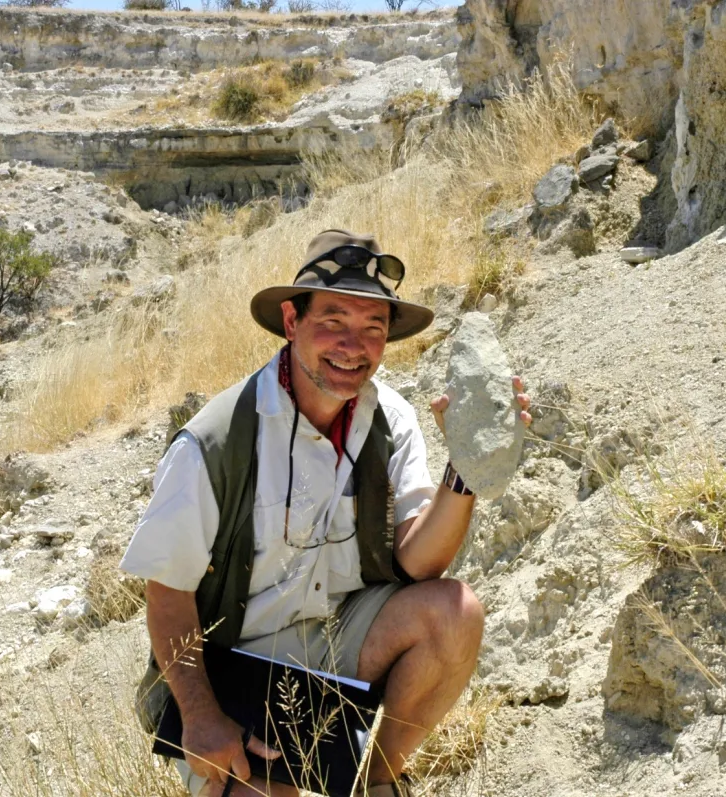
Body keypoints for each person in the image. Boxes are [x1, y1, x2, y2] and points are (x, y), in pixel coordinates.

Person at [120, 229, 530, 797]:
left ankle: (377, 780)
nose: (352, 345)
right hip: (234, 665)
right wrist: (202, 717)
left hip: (337, 642)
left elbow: (417, 564)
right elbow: (167, 596)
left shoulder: (393, 419)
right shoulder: (215, 442)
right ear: (291, 321)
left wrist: (467, 464)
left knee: (455, 612)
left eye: (372, 329)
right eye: (333, 321)